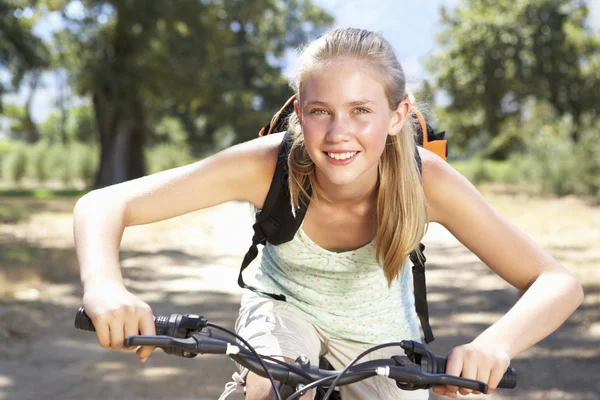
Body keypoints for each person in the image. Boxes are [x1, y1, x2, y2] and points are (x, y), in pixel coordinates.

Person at [73, 28, 583, 400]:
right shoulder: (266, 166)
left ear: (397, 115)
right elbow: (103, 204)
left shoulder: (427, 181)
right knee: (273, 382)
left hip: (381, 336)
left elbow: (557, 281)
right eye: (321, 112)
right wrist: (106, 288)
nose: (340, 133)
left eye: (362, 110)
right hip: (283, 310)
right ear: (300, 113)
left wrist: (494, 344)